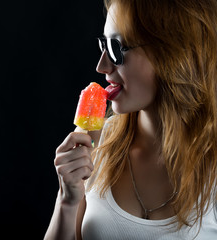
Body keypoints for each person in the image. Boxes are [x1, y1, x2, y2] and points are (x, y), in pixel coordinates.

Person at [44, 0, 217, 239]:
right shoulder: (95, 144)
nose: (101, 66)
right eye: (102, 45)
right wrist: (66, 200)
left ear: (173, 52)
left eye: (116, 48)